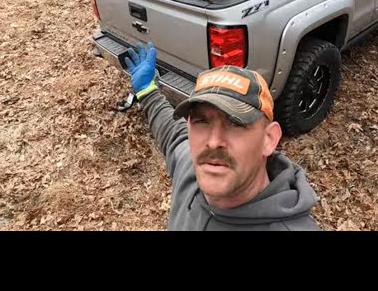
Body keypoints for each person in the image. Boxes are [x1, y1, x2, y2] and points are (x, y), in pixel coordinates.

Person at [124, 41, 322, 231]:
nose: (213, 142)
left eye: (235, 123)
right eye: (202, 121)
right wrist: (148, 92)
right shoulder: (189, 170)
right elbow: (172, 134)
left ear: (269, 139)